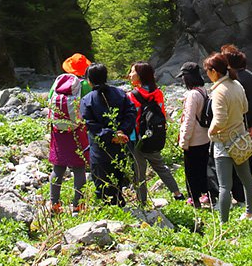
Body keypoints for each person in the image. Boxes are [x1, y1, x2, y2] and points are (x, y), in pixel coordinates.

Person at [204, 52, 252, 222]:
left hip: (224, 142)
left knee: (225, 186)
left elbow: (220, 120)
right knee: (247, 179)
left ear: (214, 71)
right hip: (240, 139)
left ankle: (223, 223)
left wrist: (210, 132)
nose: (207, 75)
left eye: (207, 71)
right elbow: (245, 108)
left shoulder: (219, 91)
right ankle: (249, 213)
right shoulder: (237, 85)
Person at [127, 61, 185, 205]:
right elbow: (162, 113)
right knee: (160, 167)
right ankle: (177, 194)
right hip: (154, 136)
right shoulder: (158, 93)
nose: (129, 74)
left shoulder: (131, 95)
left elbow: (130, 118)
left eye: (132, 72)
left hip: (137, 138)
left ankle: (142, 202)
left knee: (139, 172)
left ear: (140, 76)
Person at [80, 63, 136, 206]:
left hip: (101, 147)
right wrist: (122, 131)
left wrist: (110, 135)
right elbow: (131, 113)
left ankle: (110, 210)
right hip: (121, 144)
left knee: (102, 181)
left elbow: (90, 124)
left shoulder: (87, 100)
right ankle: (119, 203)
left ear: (89, 80)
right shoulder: (120, 93)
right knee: (118, 176)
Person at [47, 53, 92, 213]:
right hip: (77, 129)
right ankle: (77, 205)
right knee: (79, 167)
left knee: (58, 167)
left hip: (58, 130)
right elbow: (88, 106)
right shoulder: (85, 84)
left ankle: (54, 204)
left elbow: (49, 101)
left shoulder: (58, 81)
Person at [220, 45, 252, 197]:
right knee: (247, 166)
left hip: (233, 130)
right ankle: (248, 198)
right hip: (251, 131)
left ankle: (239, 197)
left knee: (231, 167)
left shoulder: (231, 82)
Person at [176, 61, 212, 208]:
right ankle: (206, 195)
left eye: (183, 77)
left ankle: (194, 199)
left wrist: (184, 141)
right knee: (203, 168)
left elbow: (189, 120)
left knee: (191, 171)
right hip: (204, 137)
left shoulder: (192, 95)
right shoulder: (203, 90)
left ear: (188, 77)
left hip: (193, 140)